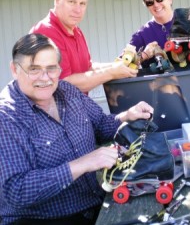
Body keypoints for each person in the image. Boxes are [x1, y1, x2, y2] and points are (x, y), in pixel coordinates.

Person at [0, 33, 153, 225]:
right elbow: (17, 191)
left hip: (93, 206)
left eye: (51, 68)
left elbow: (102, 126)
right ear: (15, 69)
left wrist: (128, 115)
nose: (45, 78)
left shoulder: (67, 91)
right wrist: (83, 164)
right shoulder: (6, 116)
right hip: (42, 219)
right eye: (34, 69)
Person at [29, 0, 137, 94]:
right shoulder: (45, 32)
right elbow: (64, 84)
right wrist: (111, 72)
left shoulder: (76, 31)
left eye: (82, 3)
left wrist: (118, 66)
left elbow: (88, 68)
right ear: (57, 0)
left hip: (78, 109)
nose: (78, 10)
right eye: (72, 2)